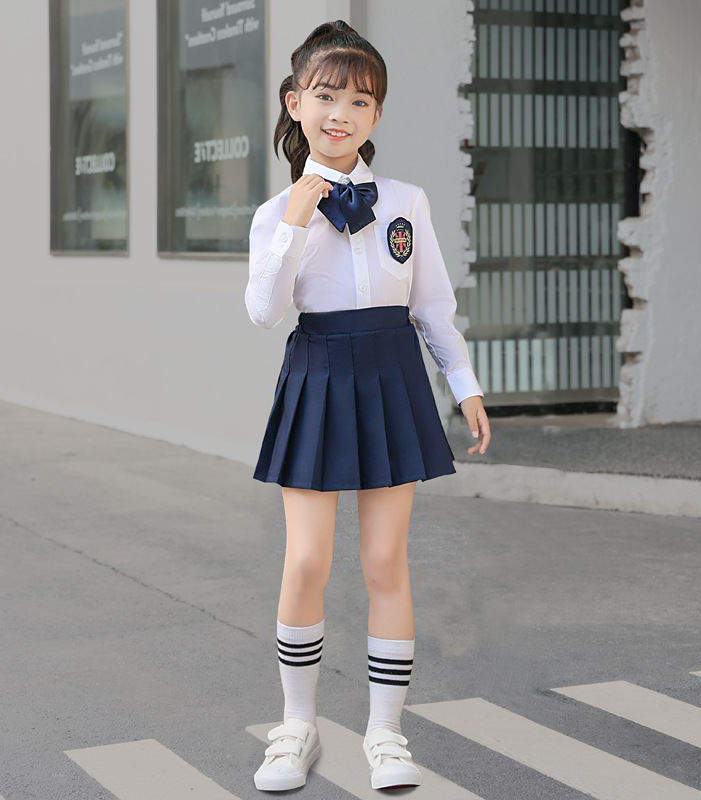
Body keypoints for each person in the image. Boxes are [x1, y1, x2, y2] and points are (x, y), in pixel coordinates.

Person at [245, 20, 490, 792]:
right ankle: (295, 728)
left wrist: (464, 384)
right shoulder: (275, 212)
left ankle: (385, 735)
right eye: (325, 95)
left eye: (360, 99)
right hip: (316, 374)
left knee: (385, 560)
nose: (341, 111)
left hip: (391, 376)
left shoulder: (406, 201)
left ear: (376, 115)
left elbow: (434, 307)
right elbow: (262, 312)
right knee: (307, 560)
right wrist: (293, 224)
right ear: (295, 102)